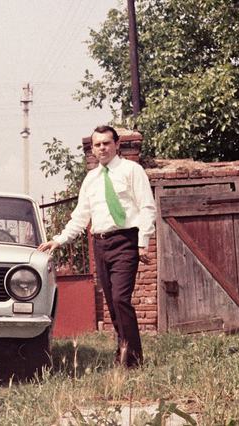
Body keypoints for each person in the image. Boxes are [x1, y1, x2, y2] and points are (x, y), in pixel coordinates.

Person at [38, 125, 156, 368]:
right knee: (112, 302)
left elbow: (147, 207)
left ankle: (133, 360)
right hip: (101, 244)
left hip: (125, 241)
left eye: (107, 143)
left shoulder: (131, 170)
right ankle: (123, 350)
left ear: (117, 144)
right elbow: (81, 216)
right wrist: (59, 239)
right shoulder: (91, 179)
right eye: (98, 144)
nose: (102, 148)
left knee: (121, 298)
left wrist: (143, 242)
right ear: (92, 149)